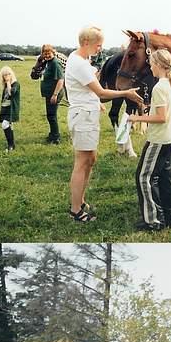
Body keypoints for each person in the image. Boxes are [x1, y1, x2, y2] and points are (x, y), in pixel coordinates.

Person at [65, 26, 142, 224]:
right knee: (82, 162)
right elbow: (101, 91)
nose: (100, 49)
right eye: (98, 45)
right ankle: (75, 210)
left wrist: (94, 101)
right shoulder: (80, 63)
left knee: (90, 159)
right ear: (85, 43)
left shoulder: (82, 59)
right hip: (83, 117)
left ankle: (80, 200)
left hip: (87, 115)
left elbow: (86, 89)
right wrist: (126, 93)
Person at [128, 48, 171, 231]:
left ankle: (153, 220)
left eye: (151, 64)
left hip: (159, 139)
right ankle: (170, 217)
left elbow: (161, 117)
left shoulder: (159, 86)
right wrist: (151, 108)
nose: (150, 67)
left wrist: (137, 118)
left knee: (144, 177)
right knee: (165, 178)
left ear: (158, 65)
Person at [31, 44, 64, 144]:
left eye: (48, 53)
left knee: (52, 115)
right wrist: (40, 60)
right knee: (50, 115)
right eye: (44, 53)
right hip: (49, 93)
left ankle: (55, 138)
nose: (47, 55)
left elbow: (60, 80)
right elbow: (34, 74)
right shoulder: (47, 62)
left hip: (54, 93)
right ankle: (52, 134)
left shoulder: (55, 63)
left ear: (53, 52)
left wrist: (55, 94)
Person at [0, 66, 20, 152]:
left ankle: (11, 145)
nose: (6, 76)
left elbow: (11, 93)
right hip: (5, 108)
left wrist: (8, 83)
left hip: (12, 109)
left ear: (12, 75)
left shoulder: (16, 84)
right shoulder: (5, 86)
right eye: (4, 75)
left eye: (8, 74)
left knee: (4, 124)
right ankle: (11, 143)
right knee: (9, 125)